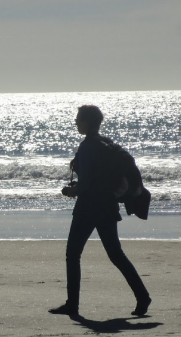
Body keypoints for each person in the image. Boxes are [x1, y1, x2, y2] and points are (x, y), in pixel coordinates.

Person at [49, 105, 151, 318]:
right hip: (107, 206)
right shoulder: (107, 143)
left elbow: (87, 185)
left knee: (73, 254)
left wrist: (72, 190)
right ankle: (142, 296)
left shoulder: (87, 147)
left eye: (78, 119)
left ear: (86, 122)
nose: (76, 122)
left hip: (88, 207)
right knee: (116, 255)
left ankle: (72, 305)